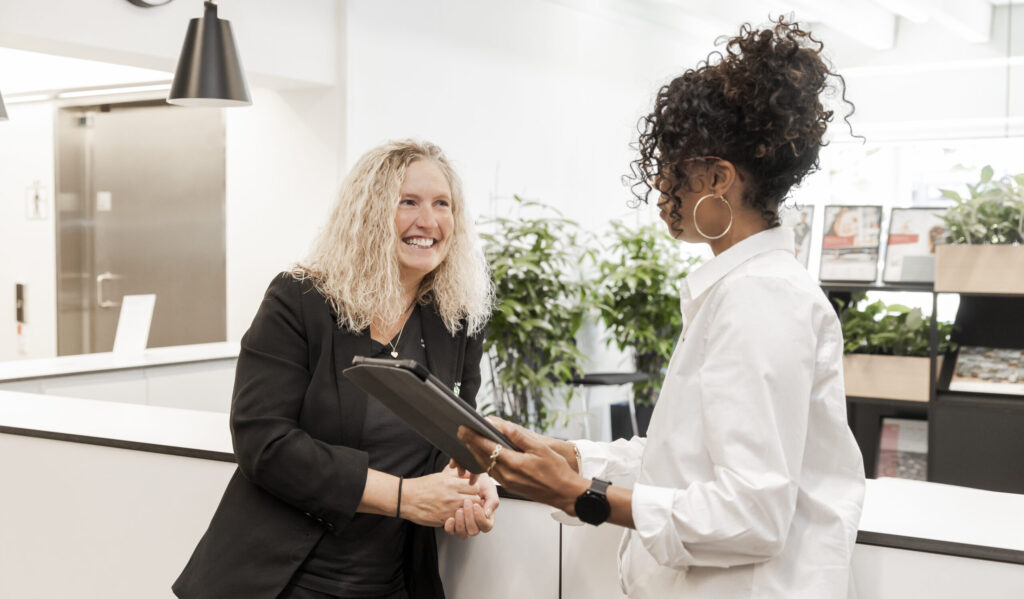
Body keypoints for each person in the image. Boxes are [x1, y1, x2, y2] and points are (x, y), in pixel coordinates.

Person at [458, 18, 866, 599]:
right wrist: (571, 454)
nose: (659, 187)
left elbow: (752, 514)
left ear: (719, 178)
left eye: (673, 169)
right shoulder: (741, 289)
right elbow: (685, 461)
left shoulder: (760, 299)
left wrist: (579, 495)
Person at [174, 140, 498, 599]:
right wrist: (404, 497)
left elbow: (458, 432)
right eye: (407, 202)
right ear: (369, 211)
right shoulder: (300, 300)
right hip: (286, 580)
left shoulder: (455, 320)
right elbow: (263, 442)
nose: (428, 221)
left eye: (441, 204)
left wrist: (474, 478)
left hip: (395, 581)